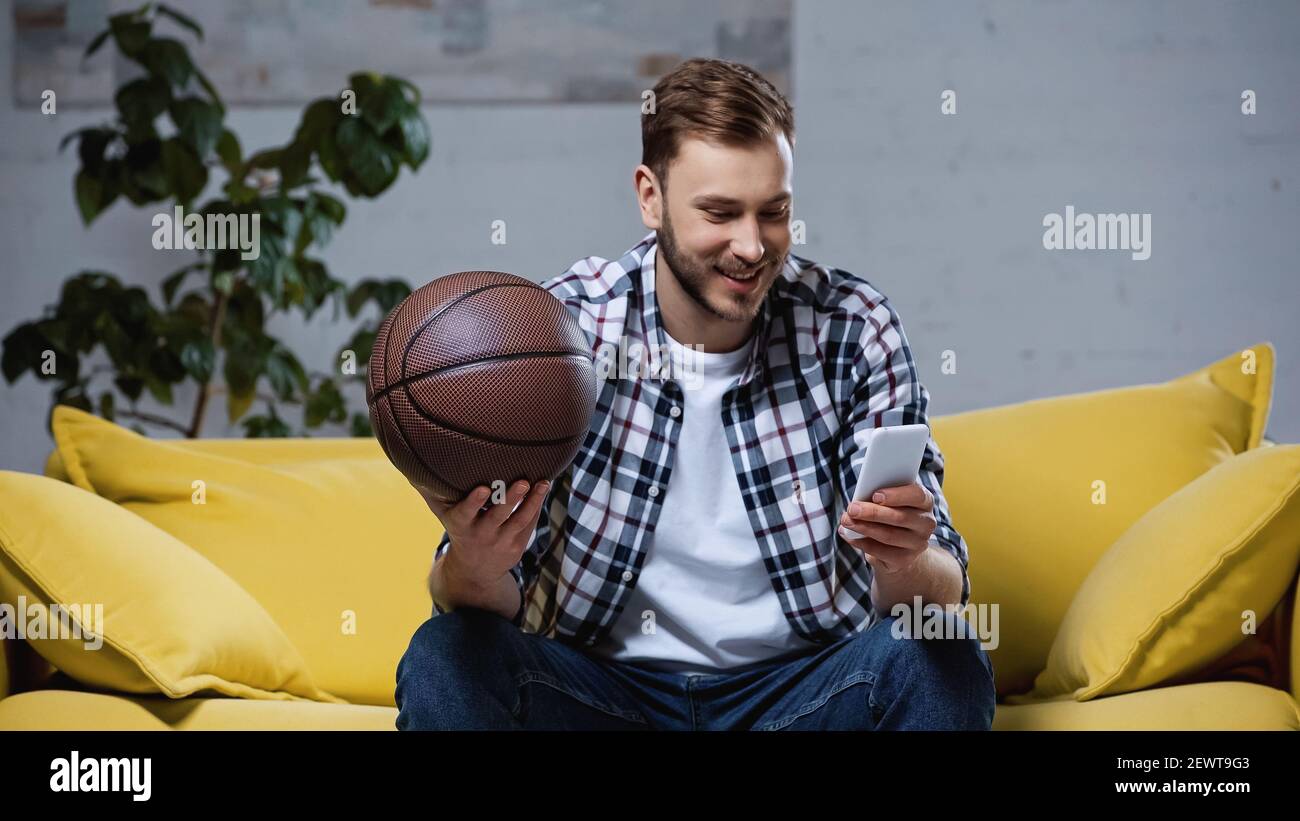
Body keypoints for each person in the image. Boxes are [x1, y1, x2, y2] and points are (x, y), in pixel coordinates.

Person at [395, 58, 995, 731]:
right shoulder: (563, 331)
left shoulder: (852, 326)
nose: (751, 245)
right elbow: (465, 596)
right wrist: (476, 560)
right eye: (720, 212)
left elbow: (942, 588)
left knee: (937, 648)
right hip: (605, 698)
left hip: (804, 698)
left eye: (774, 212)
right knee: (444, 654)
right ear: (650, 196)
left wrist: (907, 558)